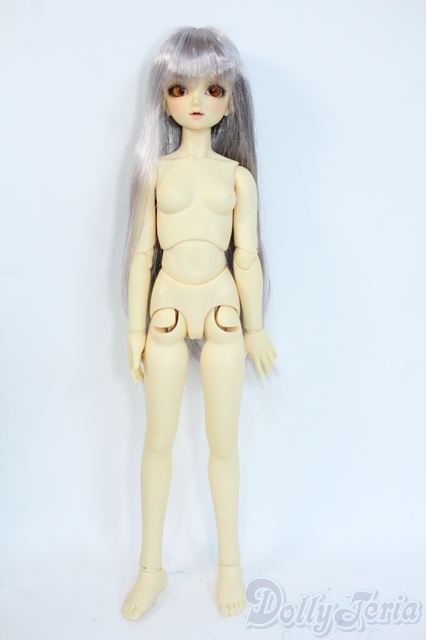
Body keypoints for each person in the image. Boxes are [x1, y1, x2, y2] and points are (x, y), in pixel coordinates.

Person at [121, 25, 277, 621]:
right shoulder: (154, 172)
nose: (195, 101)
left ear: (230, 101)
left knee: (223, 445)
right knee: (156, 442)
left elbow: (247, 257)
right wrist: (134, 330)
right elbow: (141, 253)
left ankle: (230, 563)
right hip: (165, 309)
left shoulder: (237, 177)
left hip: (221, 309)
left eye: (213, 89)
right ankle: (150, 568)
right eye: (180, 88)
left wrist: (255, 327)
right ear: (163, 96)